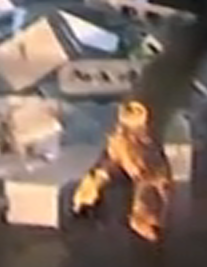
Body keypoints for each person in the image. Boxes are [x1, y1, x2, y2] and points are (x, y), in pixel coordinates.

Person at [70, 98, 172, 243]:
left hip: (139, 163)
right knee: (104, 173)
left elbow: (152, 171)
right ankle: (85, 201)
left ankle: (146, 218)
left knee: (145, 179)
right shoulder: (123, 139)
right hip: (125, 155)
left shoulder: (141, 142)